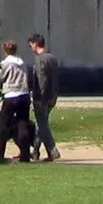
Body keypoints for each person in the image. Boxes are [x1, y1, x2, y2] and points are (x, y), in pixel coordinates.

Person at [0, 39, 34, 163]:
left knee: (3, 124)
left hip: (11, 95)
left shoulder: (6, 63)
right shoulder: (22, 62)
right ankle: (25, 154)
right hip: (24, 95)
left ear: (5, 50)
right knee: (22, 124)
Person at [28, 32, 62, 161]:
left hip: (42, 98)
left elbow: (42, 80)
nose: (30, 48)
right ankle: (36, 151)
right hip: (53, 96)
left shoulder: (40, 59)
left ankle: (53, 150)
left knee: (42, 125)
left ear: (36, 44)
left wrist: (40, 97)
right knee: (40, 124)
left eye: (31, 45)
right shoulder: (52, 58)